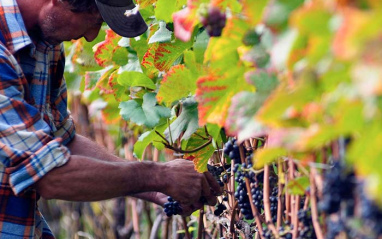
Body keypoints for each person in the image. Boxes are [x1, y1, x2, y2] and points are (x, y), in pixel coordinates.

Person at [0, 0, 221, 238]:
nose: (91, 36)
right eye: (95, 21)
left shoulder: (45, 47)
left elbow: (64, 140)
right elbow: (50, 176)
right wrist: (158, 175)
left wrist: (153, 190)